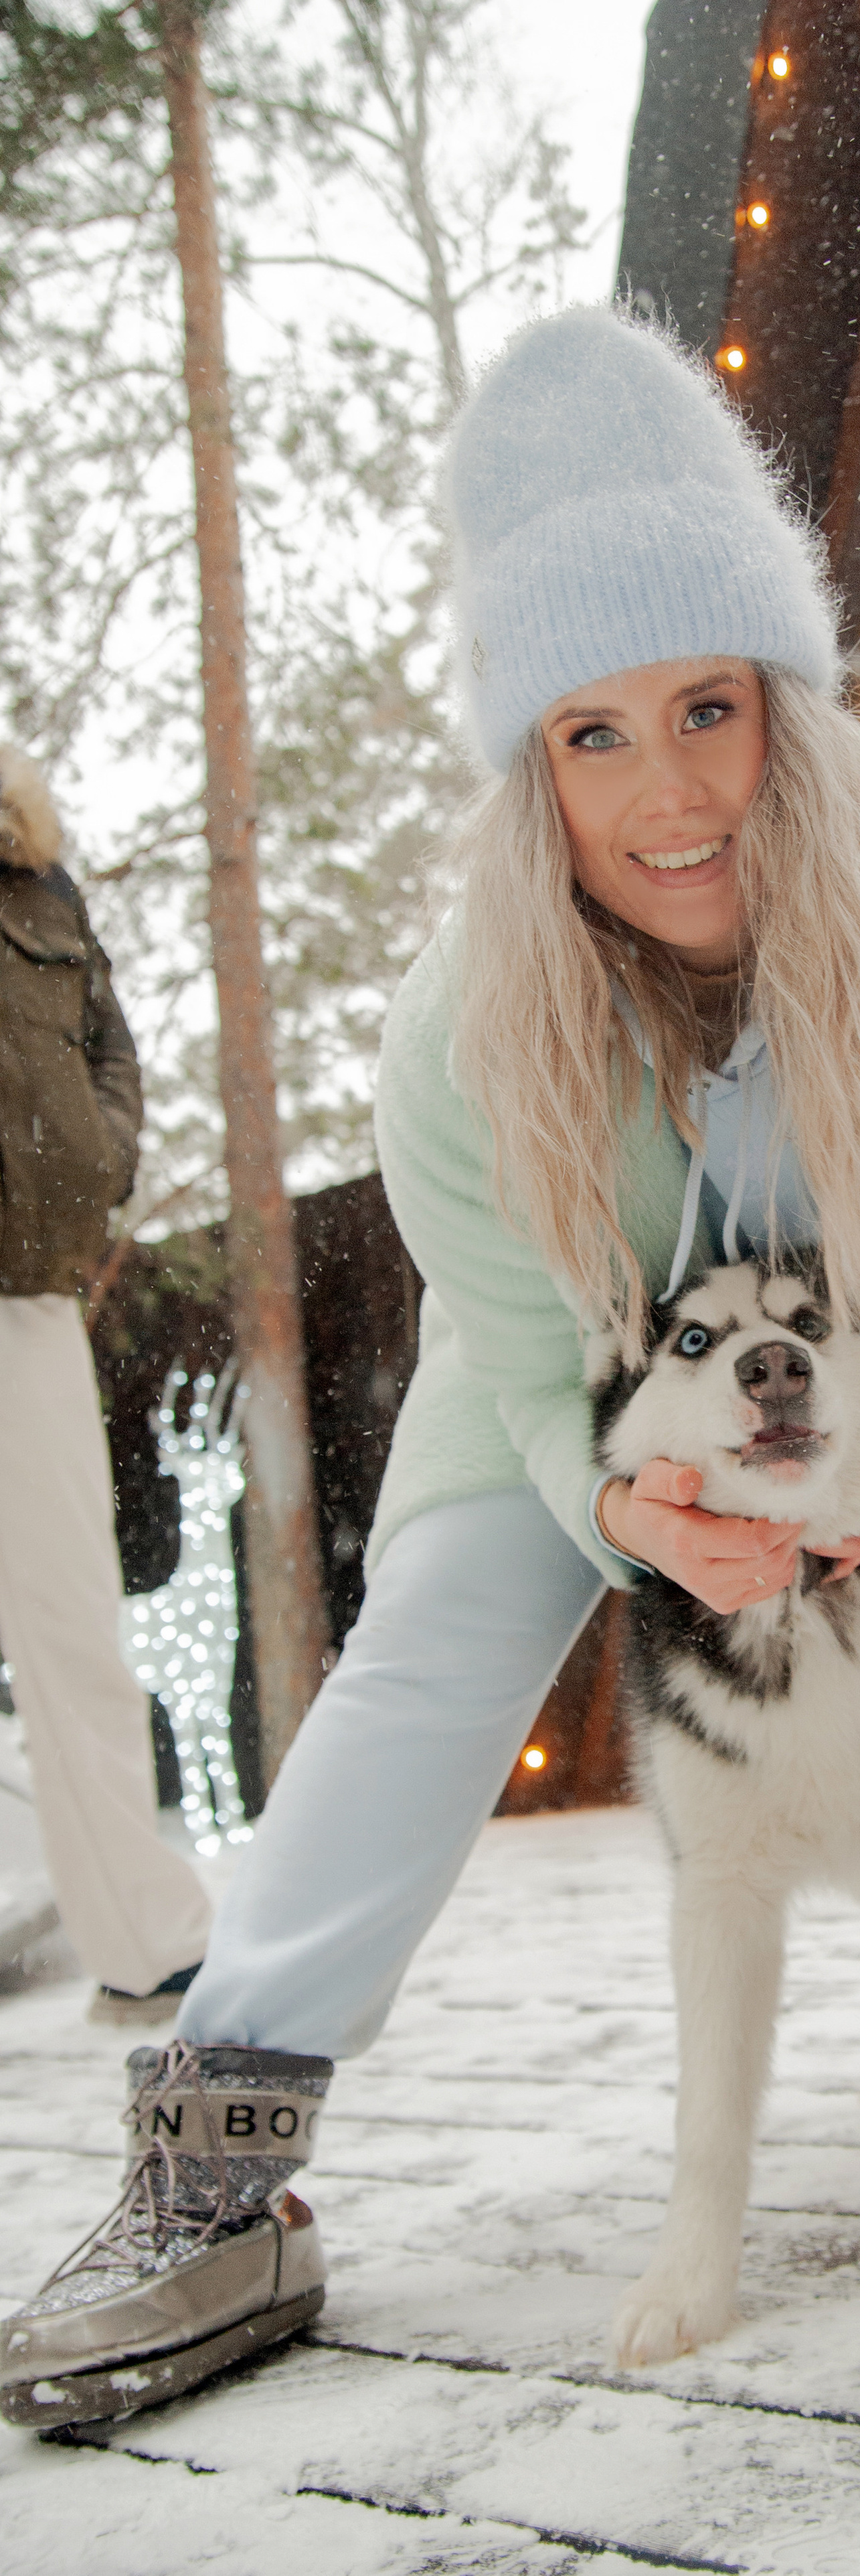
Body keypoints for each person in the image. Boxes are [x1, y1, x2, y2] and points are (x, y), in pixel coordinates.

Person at [0, 311, 860, 2431]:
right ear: (529, 766)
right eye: (591, 734)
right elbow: (513, 1333)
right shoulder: (460, 1032)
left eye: (705, 707)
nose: (665, 794)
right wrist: (620, 1509)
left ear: (784, 701)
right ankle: (222, 2146)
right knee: (435, 1636)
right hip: (601, 1381)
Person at [0, 745, 209, 2024]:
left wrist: (102, 1161)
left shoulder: (42, 887)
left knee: (74, 1632)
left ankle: (144, 1941)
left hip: (26, 1303)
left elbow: (108, 1050)